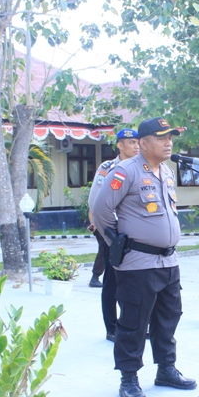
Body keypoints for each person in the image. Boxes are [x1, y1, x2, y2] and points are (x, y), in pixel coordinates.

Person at [92, 117, 197, 397]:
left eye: (171, 137)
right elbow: (100, 211)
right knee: (134, 323)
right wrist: (119, 245)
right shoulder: (125, 172)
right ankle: (129, 379)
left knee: (168, 317)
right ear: (143, 142)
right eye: (162, 137)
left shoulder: (167, 172)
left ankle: (166, 369)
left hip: (168, 261)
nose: (169, 143)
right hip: (138, 263)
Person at [87, 128, 140, 340]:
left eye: (138, 142)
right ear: (120, 145)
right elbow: (96, 201)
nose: (136, 146)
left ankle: (130, 325)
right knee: (112, 279)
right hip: (112, 232)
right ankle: (112, 328)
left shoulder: (143, 167)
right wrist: (108, 231)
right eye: (131, 142)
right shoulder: (109, 168)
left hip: (135, 233)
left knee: (132, 280)